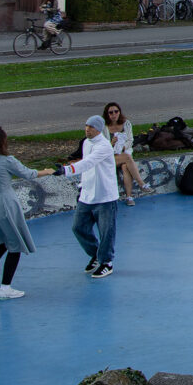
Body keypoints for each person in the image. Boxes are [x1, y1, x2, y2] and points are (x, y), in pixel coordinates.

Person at [0, 127, 53, 300]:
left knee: (2, 241)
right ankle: (5, 288)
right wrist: (47, 171)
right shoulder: (7, 161)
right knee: (15, 244)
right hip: (5, 205)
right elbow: (28, 174)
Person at [56, 114, 118, 278]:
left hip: (105, 197)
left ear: (98, 129)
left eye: (91, 127)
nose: (87, 129)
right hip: (87, 195)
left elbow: (88, 162)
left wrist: (66, 170)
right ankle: (96, 255)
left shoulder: (104, 146)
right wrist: (82, 186)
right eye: (86, 126)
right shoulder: (85, 143)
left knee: (106, 231)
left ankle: (106, 262)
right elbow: (86, 167)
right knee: (78, 227)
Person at [102, 102, 146, 206]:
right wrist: (111, 144)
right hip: (110, 155)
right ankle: (141, 184)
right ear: (107, 114)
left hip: (124, 152)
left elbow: (130, 140)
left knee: (126, 167)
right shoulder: (104, 127)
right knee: (127, 158)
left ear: (119, 112)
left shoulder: (126, 124)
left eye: (116, 111)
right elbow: (102, 146)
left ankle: (129, 197)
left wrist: (122, 147)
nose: (114, 114)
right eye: (111, 112)